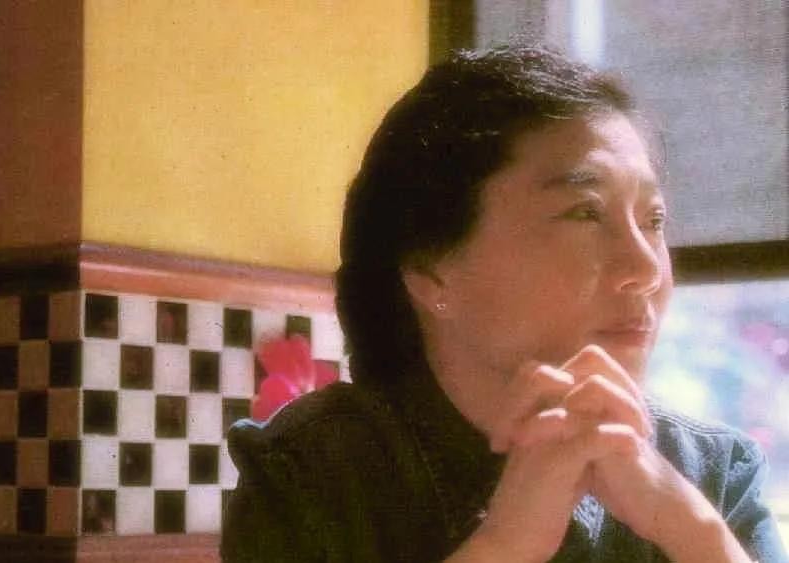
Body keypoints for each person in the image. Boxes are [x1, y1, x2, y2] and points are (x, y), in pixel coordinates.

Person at [221, 45, 788, 562]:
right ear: (431, 270)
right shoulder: (311, 472)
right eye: (585, 213)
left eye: (654, 221)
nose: (646, 270)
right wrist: (507, 544)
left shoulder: (715, 473)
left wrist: (690, 528)